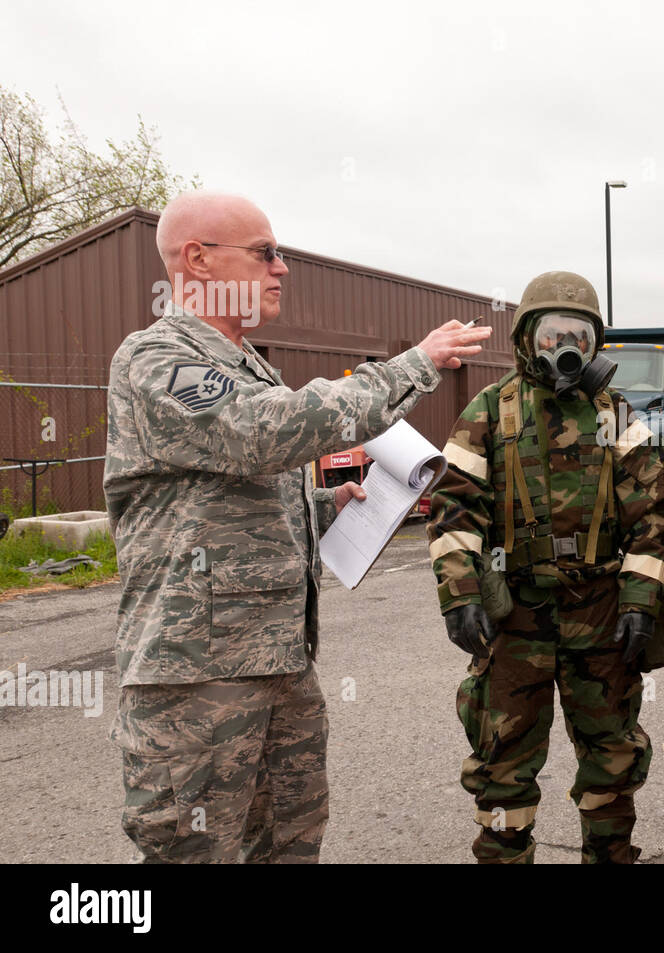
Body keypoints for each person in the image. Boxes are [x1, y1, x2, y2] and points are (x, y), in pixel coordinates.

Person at [104, 191, 491, 862]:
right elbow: (264, 431)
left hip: (279, 668)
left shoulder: (245, 366)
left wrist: (320, 508)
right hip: (196, 685)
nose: (281, 268)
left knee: (287, 845)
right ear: (197, 258)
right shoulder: (156, 360)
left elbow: (210, 502)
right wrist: (414, 363)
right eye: (265, 253)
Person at [427, 270, 664, 864]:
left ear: (595, 345)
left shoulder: (614, 413)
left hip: (601, 616)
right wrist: (460, 592)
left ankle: (610, 855)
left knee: (612, 754)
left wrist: (642, 599)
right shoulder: (491, 411)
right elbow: (454, 505)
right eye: (552, 334)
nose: (566, 347)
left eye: (580, 337)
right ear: (526, 339)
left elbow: (653, 512)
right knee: (502, 758)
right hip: (516, 619)